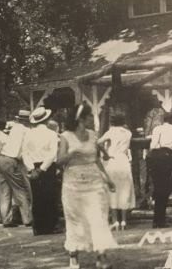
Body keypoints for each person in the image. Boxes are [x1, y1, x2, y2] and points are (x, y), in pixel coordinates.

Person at [58, 103, 117, 269]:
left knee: (98, 217)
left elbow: (97, 159)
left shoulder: (93, 135)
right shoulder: (66, 136)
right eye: (90, 115)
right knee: (75, 219)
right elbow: (59, 161)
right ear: (81, 118)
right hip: (73, 183)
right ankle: (74, 257)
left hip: (94, 181)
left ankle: (101, 256)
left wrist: (107, 178)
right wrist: (71, 154)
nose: (93, 118)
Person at [22, 107, 61, 235]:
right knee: (50, 196)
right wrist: (42, 169)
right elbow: (52, 153)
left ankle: (38, 227)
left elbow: (24, 153)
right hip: (47, 167)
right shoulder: (51, 134)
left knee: (37, 196)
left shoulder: (28, 134)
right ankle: (51, 226)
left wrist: (31, 169)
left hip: (33, 166)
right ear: (47, 119)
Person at [98, 112, 135, 231]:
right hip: (123, 160)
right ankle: (123, 220)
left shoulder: (110, 132)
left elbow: (98, 143)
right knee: (124, 190)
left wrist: (105, 153)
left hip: (112, 160)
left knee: (112, 190)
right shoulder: (128, 133)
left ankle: (115, 221)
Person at [148, 112, 172, 228]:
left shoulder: (157, 129)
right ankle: (160, 220)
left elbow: (153, 144)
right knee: (164, 189)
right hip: (165, 156)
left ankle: (157, 219)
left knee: (158, 188)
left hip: (154, 156)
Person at [0, 110, 32, 227]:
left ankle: (6, 220)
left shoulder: (14, 129)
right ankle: (27, 218)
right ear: (27, 121)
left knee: (4, 192)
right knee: (19, 189)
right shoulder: (26, 131)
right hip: (11, 160)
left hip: (1, 159)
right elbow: (24, 151)